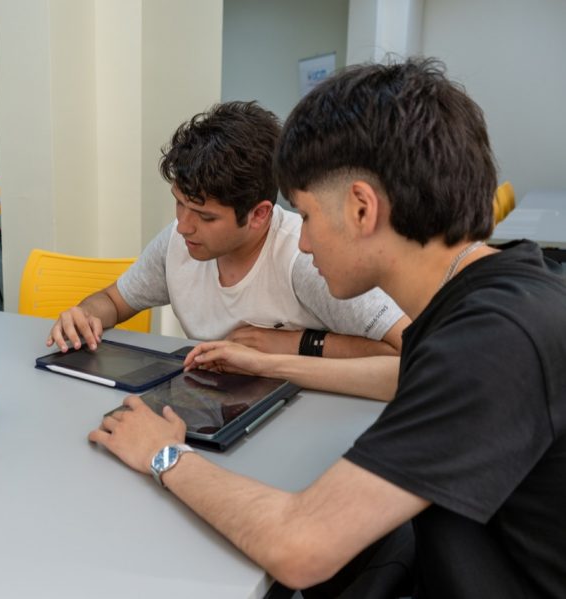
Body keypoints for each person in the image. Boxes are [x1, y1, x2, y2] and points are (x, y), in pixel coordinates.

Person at [89, 59, 566, 597]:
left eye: (310, 217)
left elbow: (301, 547)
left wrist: (166, 455)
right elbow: (406, 373)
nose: (307, 242)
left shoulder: (492, 344)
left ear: (362, 209)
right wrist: (268, 363)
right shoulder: (504, 293)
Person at [48, 102, 408, 364]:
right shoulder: (177, 242)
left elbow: (408, 349)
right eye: (179, 203)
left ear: (259, 215)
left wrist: (297, 343)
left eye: (205, 217)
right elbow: (112, 301)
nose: (185, 225)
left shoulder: (306, 258)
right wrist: (85, 315)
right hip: (218, 404)